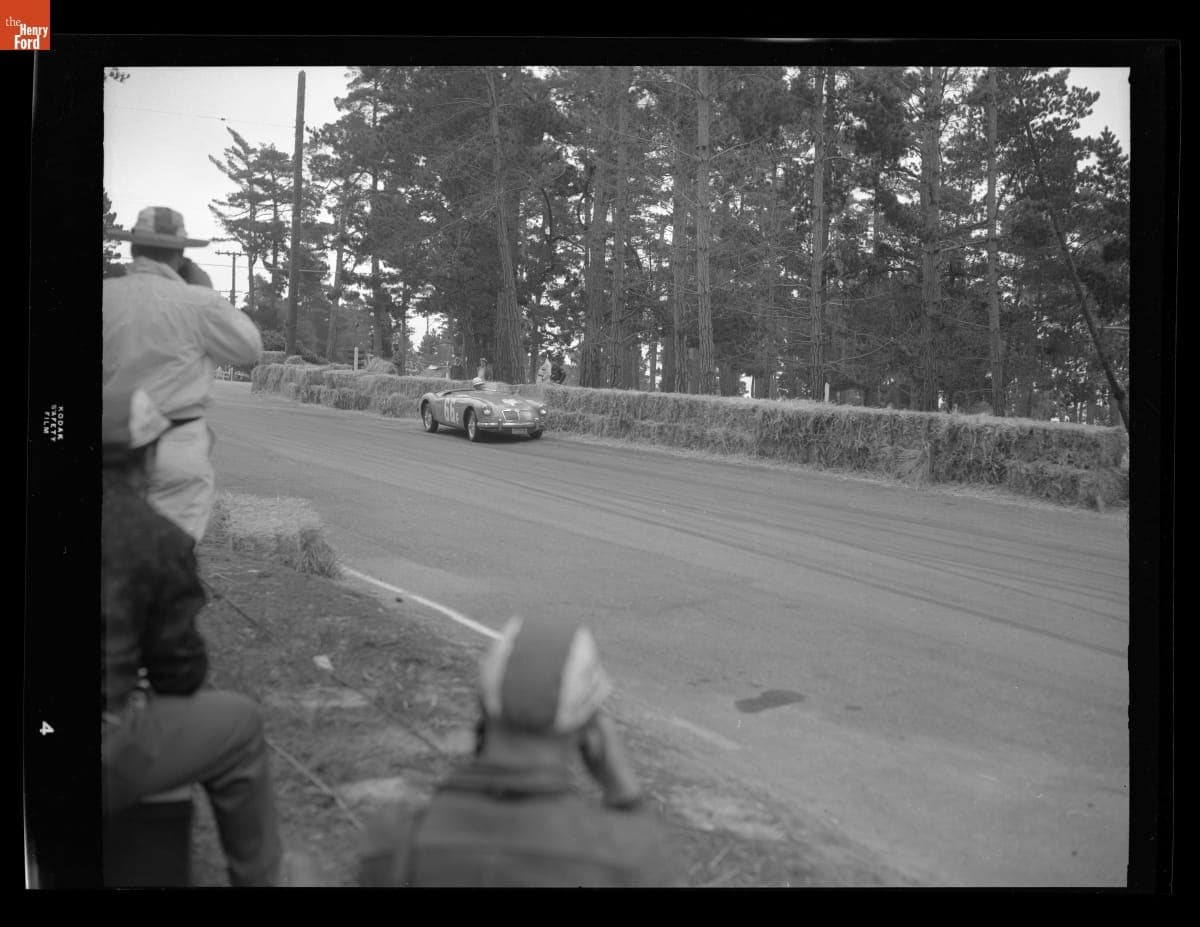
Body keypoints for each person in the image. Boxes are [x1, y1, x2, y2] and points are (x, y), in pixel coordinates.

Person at [102, 385, 309, 887]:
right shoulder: (157, 537)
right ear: (148, 456)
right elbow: (180, 672)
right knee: (239, 723)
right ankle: (261, 878)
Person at [358, 617, 679, 887]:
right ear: (590, 732)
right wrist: (624, 792)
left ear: (483, 707)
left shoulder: (392, 843)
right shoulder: (627, 857)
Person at [104, 206, 263, 543]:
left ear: (133, 249)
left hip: (109, 445)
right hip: (175, 445)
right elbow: (249, 349)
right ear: (181, 256)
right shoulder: (198, 303)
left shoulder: (106, 295)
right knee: (167, 559)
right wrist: (204, 292)